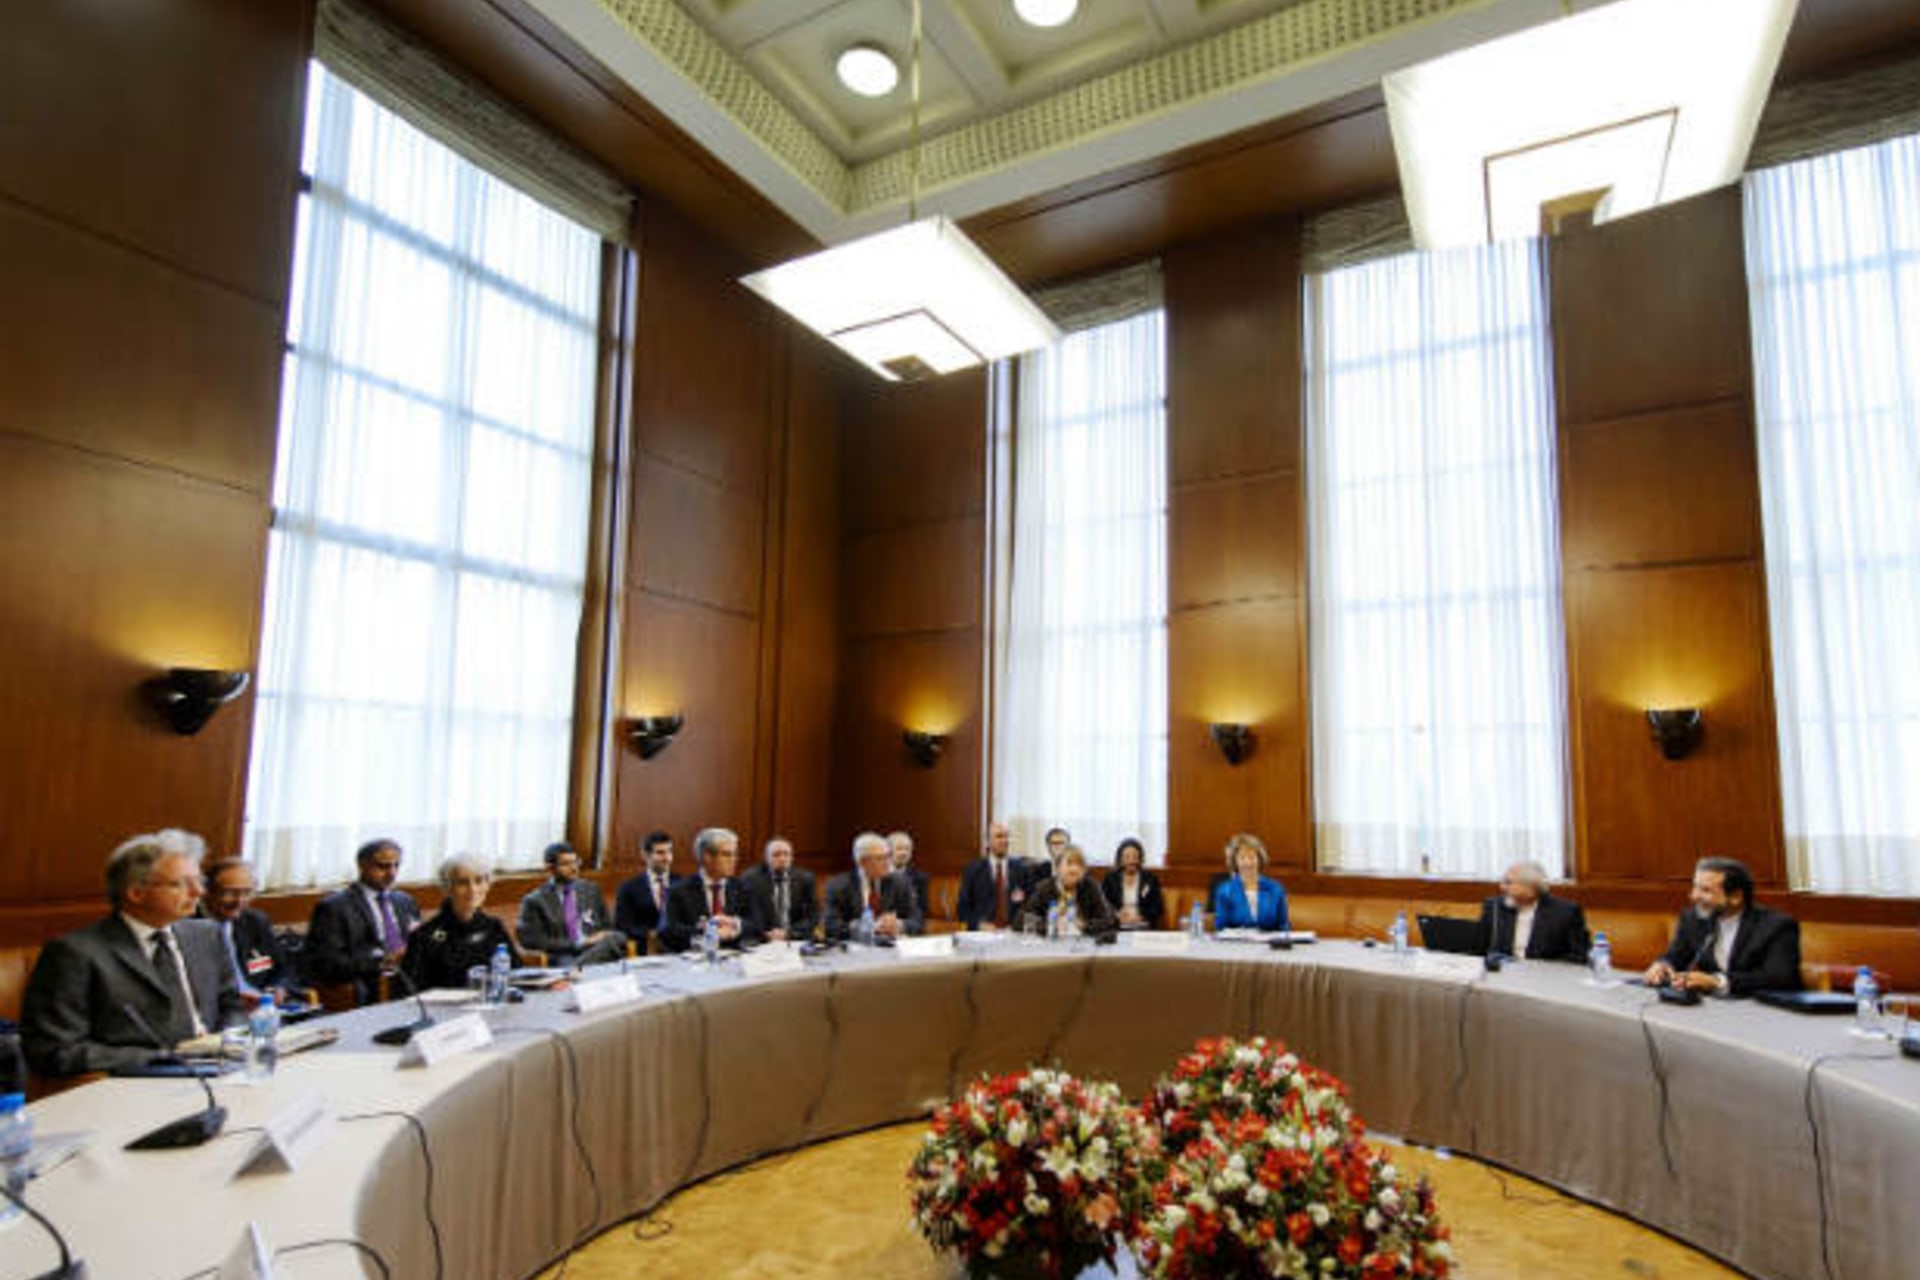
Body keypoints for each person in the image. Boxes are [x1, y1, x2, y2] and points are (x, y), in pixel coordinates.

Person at [22, 832, 244, 1076]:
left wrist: (228, 1043)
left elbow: (231, 1005)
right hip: (136, 1081)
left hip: (219, 1069)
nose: (198, 892)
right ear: (136, 893)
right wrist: (167, 1056)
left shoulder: (206, 935)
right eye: (180, 884)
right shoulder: (75, 953)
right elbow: (55, 1051)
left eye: (198, 880)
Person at [1643, 857, 1801, 997]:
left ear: (1736, 897)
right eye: (1695, 887)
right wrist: (1663, 966)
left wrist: (1717, 981)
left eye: (1705, 890)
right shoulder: (1692, 919)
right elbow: (1675, 956)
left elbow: (1779, 977)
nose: (1693, 896)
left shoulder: (1777, 925)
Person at [304, 838, 421, 1005]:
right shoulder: (334, 907)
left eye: (396, 865)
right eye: (383, 866)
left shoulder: (405, 901)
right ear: (362, 866)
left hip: (408, 975)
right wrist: (383, 961)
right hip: (367, 981)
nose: (392, 873)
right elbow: (327, 963)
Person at [402, 855, 525, 991]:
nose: (472, 889)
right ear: (447, 889)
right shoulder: (425, 935)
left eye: (479, 881)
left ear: (488, 885)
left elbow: (516, 973)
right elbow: (411, 991)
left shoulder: (494, 927)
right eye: (462, 883)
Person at [199, 857, 300, 1004]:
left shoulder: (255, 921)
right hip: (219, 1013)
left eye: (247, 893)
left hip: (264, 1008)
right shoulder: (188, 928)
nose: (239, 901)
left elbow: (282, 967)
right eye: (230, 893)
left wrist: (278, 987)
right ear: (207, 892)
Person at [518, 841, 626, 969]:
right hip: (564, 954)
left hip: (598, 950)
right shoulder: (534, 900)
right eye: (566, 864)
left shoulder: (591, 890)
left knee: (618, 937)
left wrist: (598, 939)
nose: (574, 868)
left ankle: (578, 967)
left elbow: (606, 925)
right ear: (550, 868)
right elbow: (533, 941)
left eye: (576, 862)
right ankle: (579, 967)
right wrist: (580, 943)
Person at [661, 827, 765, 953]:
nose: (734, 860)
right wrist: (706, 931)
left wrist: (735, 924)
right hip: (694, 960)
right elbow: (667, 931)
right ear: (707, 857)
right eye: (727, 854)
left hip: (736, 958)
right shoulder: (678, 890)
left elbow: (758, 925)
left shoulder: (743, 888)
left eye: (735, 854)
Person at [1477, 861, 1590, 962]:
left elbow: (1578, 956)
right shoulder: (1494, 906)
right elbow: (1480, 948)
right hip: (1502, 973)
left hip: (1545, 977)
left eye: (1509, 883)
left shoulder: (1566, 912)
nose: (1502, 887)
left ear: (1531, 888)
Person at [824, 832, 923, 942]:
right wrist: (869, 927)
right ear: (862, 862)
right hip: (855, 948)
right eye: (881, 858)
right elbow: (831, 926)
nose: (888, 862)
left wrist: (899, 925)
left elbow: (917, 921)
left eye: (888, 856)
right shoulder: (839, 885)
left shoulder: (900, 883)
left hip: (892, 947)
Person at [1018, 844, 1118, 940]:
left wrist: (1084, 925)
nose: (1074, 869)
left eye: (1079, 865)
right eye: (1069, 863)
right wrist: (1051, 926)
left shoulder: (1090, 886)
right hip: (1051, 945)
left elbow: (1108, 920)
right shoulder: (1045, 888)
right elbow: (1021, 920)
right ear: (1058, 868)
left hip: (1083, 945)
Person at [741, 835, 819, 942]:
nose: (782, 859)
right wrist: (767, 934)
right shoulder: (750, 879)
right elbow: (749, 915)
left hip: (795, 938)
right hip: (762, 939)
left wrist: (788, 933)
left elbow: (813, 916)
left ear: (792, 856)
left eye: (786, 854)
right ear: (766, 857)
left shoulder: (805, 878)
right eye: (776, 855)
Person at [956, 822, 1031, 930]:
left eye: (1007, 836)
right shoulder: (973, 870)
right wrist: (979, 925)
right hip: (983, 934)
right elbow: (962, 909)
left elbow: (1030, 907)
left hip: (1013, 932)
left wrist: (1016, 925)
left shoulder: (1022, 869)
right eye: (999, 836)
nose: (1004, 841)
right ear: (988, 841)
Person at [1211, 832, 1289, 932]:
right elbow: (1220, 928)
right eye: (1242, 858)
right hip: (1236, 946)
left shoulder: (1275, 889)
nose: (1248, 862)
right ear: (1235, 862)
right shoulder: (1225, 891)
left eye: (1252, 857)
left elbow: (1284, 926)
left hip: (1268, 945)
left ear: (1259, 859)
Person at [1100, 836, 1166, 930]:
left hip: (1143, 926)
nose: (1131, 861)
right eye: (1127, 857)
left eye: (1135, 857)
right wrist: (1117, 915)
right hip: (1117, 925)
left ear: (1140, 859)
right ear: (1120, 860)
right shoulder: (1110, 879)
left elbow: (1158, 908)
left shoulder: (1150, 879)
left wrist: (1140, 916)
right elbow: (1102, 905)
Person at [888, 829, 931, 920]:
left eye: (907, 849)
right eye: (899, 848)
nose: (904, 853)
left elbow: (923, 911)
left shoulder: (920, 877)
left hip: (908, 928)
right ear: (888, 850)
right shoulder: (878, 875)